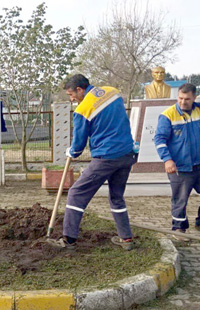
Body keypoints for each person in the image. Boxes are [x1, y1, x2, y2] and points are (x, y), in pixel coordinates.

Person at [50, 74, 137, 251]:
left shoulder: (83, 110)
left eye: (71, 94)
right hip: (128, 153)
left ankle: (69, 240)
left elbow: (79, 145)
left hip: (107, 156)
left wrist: (72, 151)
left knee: (76, 192)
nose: (71, 98)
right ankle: (126, 239)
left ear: (80, 89)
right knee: (116, 196)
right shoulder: (112, 92)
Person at [154, 83, 200, 239]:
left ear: (194, 98)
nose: (183, 102)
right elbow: (159, 139)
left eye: (187, 99)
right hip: (180, 167)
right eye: (180, 98)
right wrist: (167, 160)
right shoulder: (167, 115)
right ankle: (178, 228)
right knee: (180, 199)